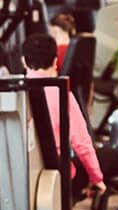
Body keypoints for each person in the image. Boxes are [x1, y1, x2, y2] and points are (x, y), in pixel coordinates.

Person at [23, 32, 104, 199]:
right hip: (57, 180)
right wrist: (97, 178)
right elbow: (81, 143)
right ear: (55, 61)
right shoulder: (61, 93)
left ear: (23, 61)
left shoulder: (12, 95)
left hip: (21, 179)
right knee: (109, 156)